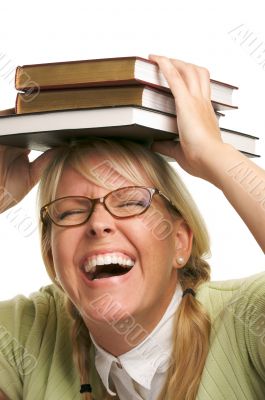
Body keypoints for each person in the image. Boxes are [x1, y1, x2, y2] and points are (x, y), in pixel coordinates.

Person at [0, 55, 264, 400]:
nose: (99, 224)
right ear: (51, 254)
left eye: (130, 202)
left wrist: (215, 155)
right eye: (69, 212)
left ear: (181, 242)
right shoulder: (27, 331)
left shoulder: (248, 319)